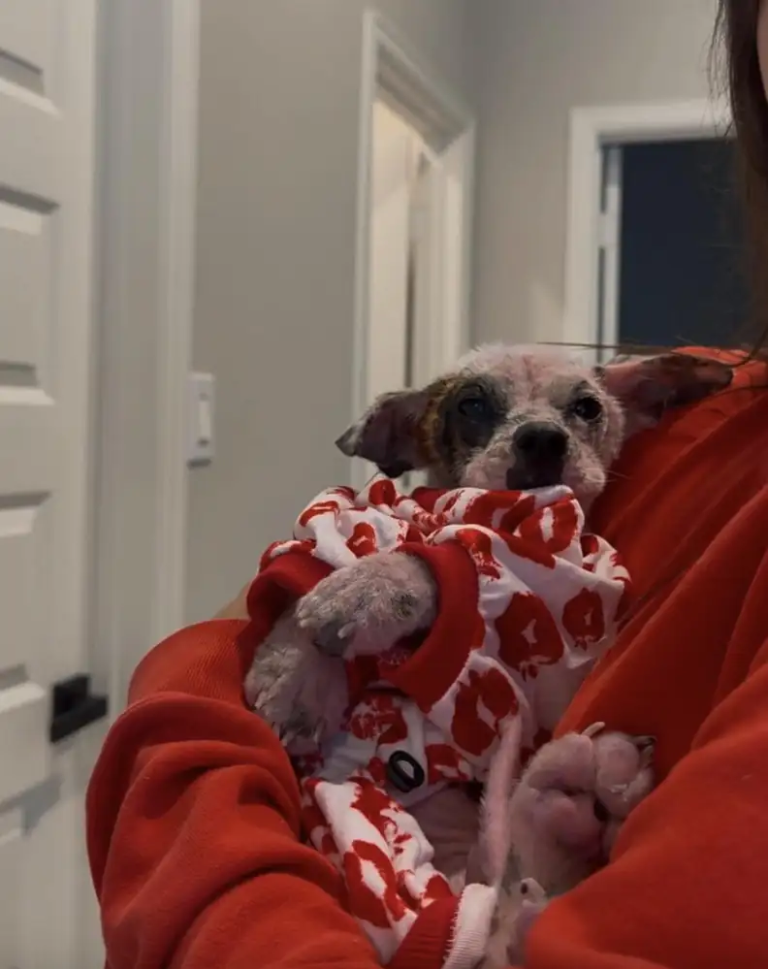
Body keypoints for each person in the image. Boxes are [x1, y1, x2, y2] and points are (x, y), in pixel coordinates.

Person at [86, 3, 768, 967]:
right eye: (485, 415)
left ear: (630, 413)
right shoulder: (697, 414)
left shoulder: (647, 447)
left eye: (579, 415)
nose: (543, 441)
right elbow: (218, 665)